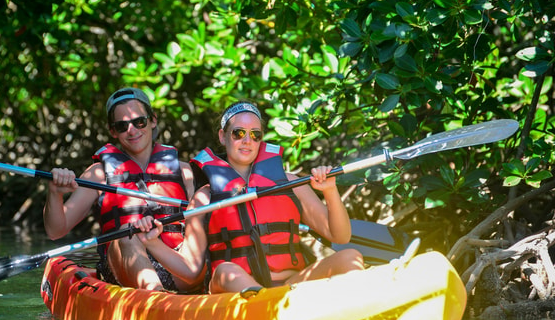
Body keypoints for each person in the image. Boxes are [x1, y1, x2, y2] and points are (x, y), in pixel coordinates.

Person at [133, 100, 364, 294]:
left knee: (349, 256)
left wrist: (330, 191)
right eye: (239, 133)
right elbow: (191, 270)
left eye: (255, 135)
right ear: (223, 136)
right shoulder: (205, 197)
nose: (247, 140)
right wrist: (152, 243)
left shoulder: (291, 182)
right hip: (237, 295)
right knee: (225, 270)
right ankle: (264, 310)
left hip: (292, 287)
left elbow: (340, 235)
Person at [43, 87, 200, 293]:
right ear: (113, 131)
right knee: (128, 234)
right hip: (126, 266)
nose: (132, 130)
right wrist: (55, 192)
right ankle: (156, 294)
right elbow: (56, 230)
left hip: (177, 265)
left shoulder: (183, 172)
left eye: (139, 121)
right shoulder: (98, 174)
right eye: (122, 125)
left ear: (153, 120)